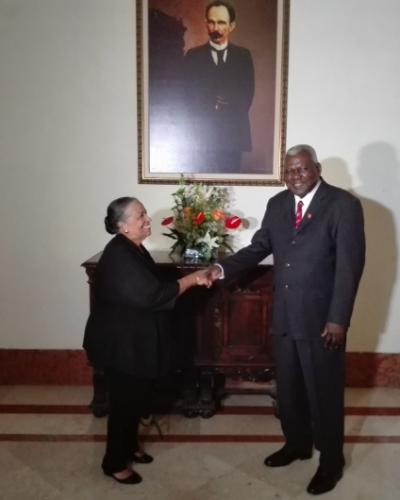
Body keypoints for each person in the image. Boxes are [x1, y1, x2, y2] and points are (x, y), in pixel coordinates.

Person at [207, 145, 365, 495]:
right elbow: (259, 247)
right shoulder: (277, 205)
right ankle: (296, 445)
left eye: (302, 169)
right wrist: (221, 268)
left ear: (317, 168)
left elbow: (349, 269)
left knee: (323, 393)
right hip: (284, 316)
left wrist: (338, 319)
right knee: (289, 388)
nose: (295, 176)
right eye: (289, 170)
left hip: (323, 320)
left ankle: (331, 461)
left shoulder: (343, 205)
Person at [83, 196, 210, 485]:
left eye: (145, 214)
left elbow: (154, 288)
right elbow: (153, 295)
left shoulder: (132, 249)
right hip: (121, 346)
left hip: (134, 343)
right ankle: (113, 462)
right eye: (140, 215)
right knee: (124, 405)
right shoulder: (119, 255)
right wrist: (192, 280)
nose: (147, 219)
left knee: (134, 399)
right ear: (122, 225)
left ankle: (129, 448)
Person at [183, 1, 254, 173]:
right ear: (206, 24)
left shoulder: (243, 56)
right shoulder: (192, 56)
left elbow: (248, 94)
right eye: (211, 22)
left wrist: (228, 104)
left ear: (232, 26)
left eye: (221, 22)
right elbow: (186, 97)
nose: (216, 27)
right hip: (202, 138)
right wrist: (210, 105)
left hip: (233, 137)